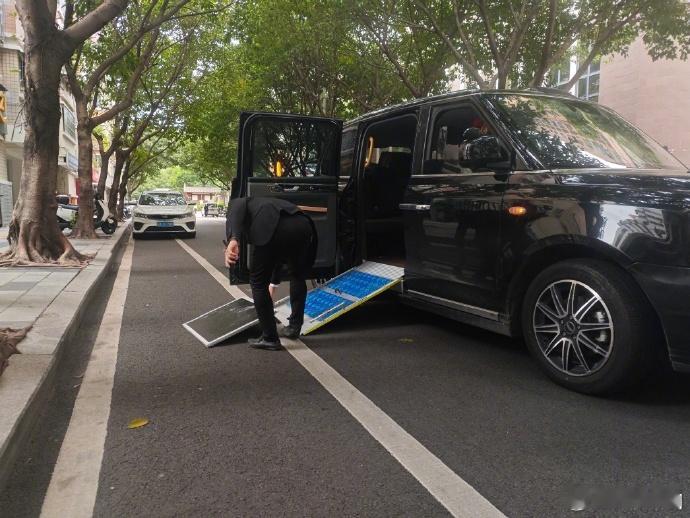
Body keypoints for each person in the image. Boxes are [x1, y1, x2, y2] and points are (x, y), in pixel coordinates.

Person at [224, 197, 317, 350]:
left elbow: (236, 209)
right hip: (303, 224)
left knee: (258, 282)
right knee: (297, 276)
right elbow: (276, 261)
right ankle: (294, 327)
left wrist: (233, 239)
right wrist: (273, 284)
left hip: (274, 227)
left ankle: (270, 338)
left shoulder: (237, 203)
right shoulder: (264, 203)